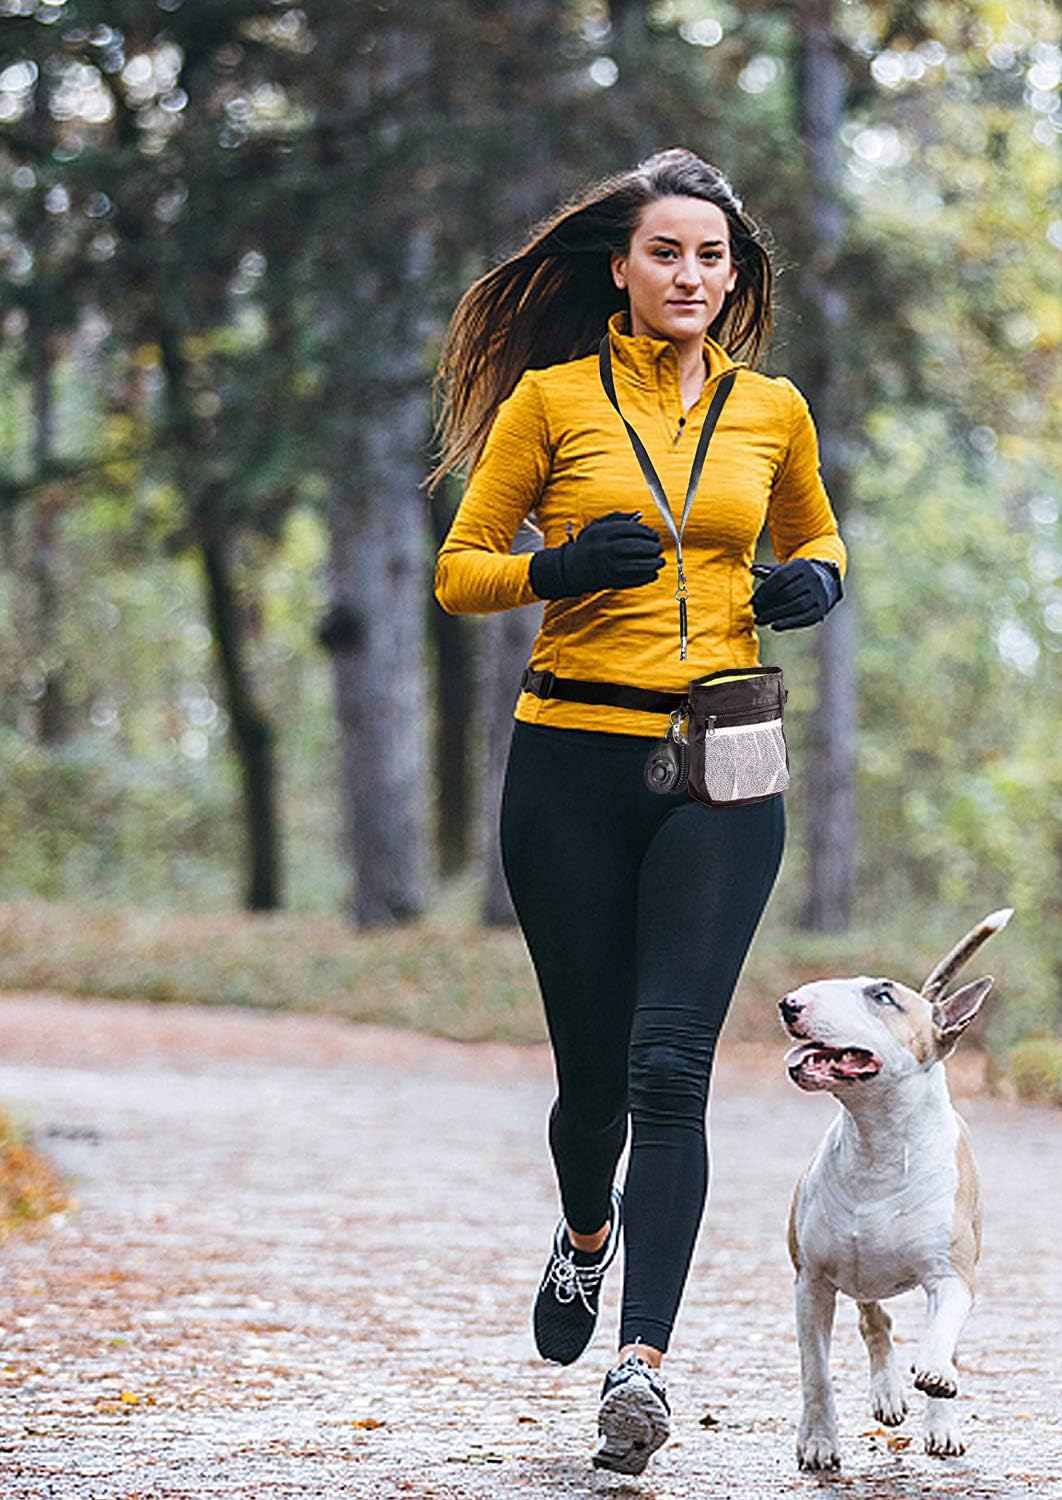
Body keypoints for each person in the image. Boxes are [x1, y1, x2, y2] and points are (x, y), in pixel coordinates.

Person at [425, 146, 846, 1475]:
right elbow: (461, 572)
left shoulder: (774, 410)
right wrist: (550, 563)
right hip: (570, 771)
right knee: (596, 1083)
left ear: (734, 277)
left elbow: (819, 536)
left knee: (674, 1064)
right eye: (666, 251)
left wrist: (814, 586)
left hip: (719, 768)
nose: (689, 275)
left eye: (712, 257)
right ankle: (585, 1235)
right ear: (621, 264)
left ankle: (643, 1367)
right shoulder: (549, 403)